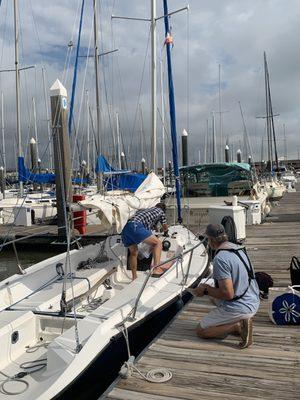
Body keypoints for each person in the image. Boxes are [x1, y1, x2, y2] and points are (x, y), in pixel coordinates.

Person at [190, 223, 260, 349]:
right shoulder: (238, 248)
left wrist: (205, 290)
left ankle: (238, 326)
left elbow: (228, 294)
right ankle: (238, 321)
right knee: (213, 296)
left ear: (210, 240)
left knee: (201, 331)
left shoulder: (220, 258)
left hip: (241, 306)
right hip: (253, 299)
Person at [121, 203, 169, 280]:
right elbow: (165, 225)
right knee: (158, 243)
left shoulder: (144, 210)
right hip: (136, 226)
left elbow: (147, 225)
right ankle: (156, 269)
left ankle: (134, 277)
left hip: (126, 229)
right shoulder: (160, 211)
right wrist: (166, 231)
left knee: (134, 253)